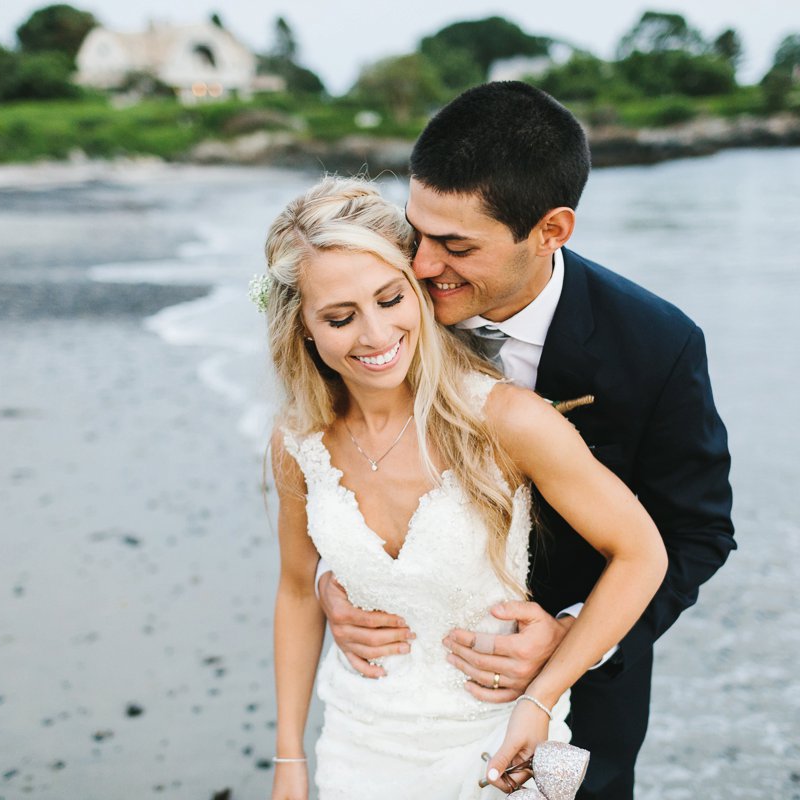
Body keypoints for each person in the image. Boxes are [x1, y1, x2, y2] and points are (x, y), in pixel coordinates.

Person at [317, 81, 736, 799]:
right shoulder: (382, 307)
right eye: (418, 231)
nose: (420, 266)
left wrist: (573, 637)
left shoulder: (656, 345)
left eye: (456, 246)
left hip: (584, 695)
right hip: (403, 695)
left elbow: (697, 533)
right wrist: (339, 584)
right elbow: (337, 461)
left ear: (551, 231)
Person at [264, 176, 668, 800]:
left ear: (420, 290)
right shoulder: (298, 442)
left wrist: (542, 694)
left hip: (496, 743)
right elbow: (296, 589)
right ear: (304, 330)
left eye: (390, 299)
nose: (374, 335)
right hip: (359, 743)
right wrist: (288, 757)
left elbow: (643, 553)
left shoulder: (505, 419)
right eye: (340, 318)